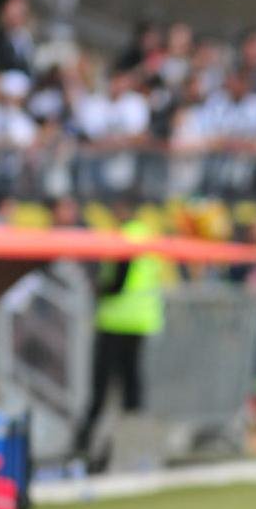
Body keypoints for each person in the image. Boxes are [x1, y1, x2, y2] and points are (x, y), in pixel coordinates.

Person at [73, 200, 165, 471]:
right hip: (140, 322)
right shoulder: (146, 235)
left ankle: (85, 448)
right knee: (132, 388)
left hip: (116, 320)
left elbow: (117, 283)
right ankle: (133, 451)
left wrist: (98, 289)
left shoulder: (125, 238)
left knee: (100, 389)